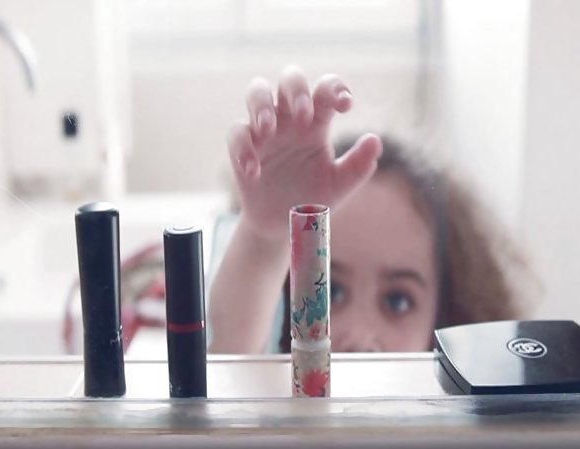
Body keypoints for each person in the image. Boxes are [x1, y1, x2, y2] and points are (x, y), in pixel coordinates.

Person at [207, 66, 536, 354]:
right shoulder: (265, 373)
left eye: (398, 302)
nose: (360, 338)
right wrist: (266, 243)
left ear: (444, 317)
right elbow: (230, 357)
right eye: (327, 293)